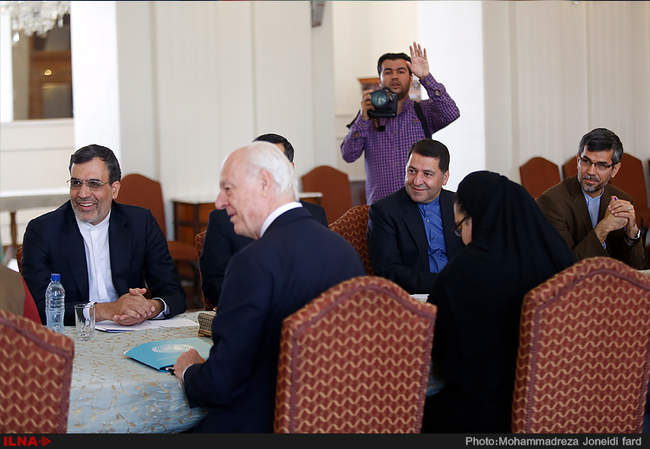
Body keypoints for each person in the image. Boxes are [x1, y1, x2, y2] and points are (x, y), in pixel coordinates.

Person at [173, 142, 365, 433]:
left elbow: (220, 385)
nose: (219, 202)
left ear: (264, 183)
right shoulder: (344, 252)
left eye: (228, 189)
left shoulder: (251, 263)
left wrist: (189, 370)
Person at [422, 171, 575, 433]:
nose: (463, 238)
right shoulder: (559, 259)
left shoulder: (460, 276)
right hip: (560, 409)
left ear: (479, 218)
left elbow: (440, 360)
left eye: (460, 227)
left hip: (484, 418)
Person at [21, 144, 185, 326]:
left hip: (133, 328)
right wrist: (107, 310)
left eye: (94, 184)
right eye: (76, 183)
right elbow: (39, 308)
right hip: (74, 332)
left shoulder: (140, 223)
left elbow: (174, 293)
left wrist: (147, 308)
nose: (83, 193)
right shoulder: (42, 231)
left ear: (114, 189)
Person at [199, 133, 328, 308]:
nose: (220, 202)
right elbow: (214, 286)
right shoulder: (225, 219)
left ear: (289, 169)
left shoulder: (315, 217)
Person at [341, 42, 460, 204]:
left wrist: (426, 78)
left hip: (420, 205)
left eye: (401, 71)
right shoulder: (368, 116)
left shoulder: (422, 110)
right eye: (388, 72)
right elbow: (348, 155)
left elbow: (451, 113)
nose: (395, 76)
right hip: (381, 207)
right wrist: (363, 119)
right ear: (380, 79)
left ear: (411, 78)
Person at [537, 128, 645, 269]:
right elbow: (566, 268)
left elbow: (636, 268)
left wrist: (632, 233)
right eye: (586, 161)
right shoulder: (551, 202)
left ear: (615, 169)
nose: (590, 171)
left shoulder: (622, 199)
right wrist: (603, 228)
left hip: (611, 279)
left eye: (601, 165)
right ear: (578, 160)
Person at [367, 139, 463, 294]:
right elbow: (388, 271)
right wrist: (445, 284)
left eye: (427, 174)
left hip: (462, 293)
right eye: (412, 171)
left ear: (445, 178)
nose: (417, 181)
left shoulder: (460, 205)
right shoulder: (384, 211)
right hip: (412, 298)